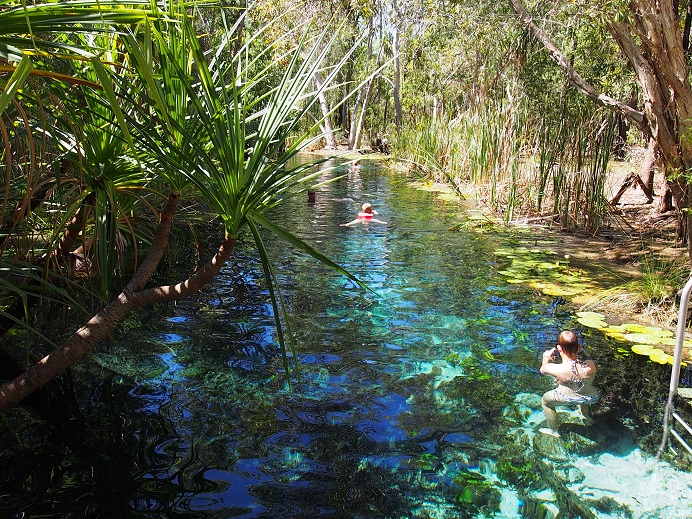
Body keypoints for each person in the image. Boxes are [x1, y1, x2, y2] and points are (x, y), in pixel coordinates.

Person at [538, 330, 599, 438]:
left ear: (559, 349)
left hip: (565, 398)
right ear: (579, 347)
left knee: (545, 402)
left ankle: (554, 431)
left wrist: (546, 358)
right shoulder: (590, 365)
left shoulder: (556, 368)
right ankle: (586, 417)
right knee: (582, 386)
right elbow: (577, 371)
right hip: (592, 397)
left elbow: (543, 370)